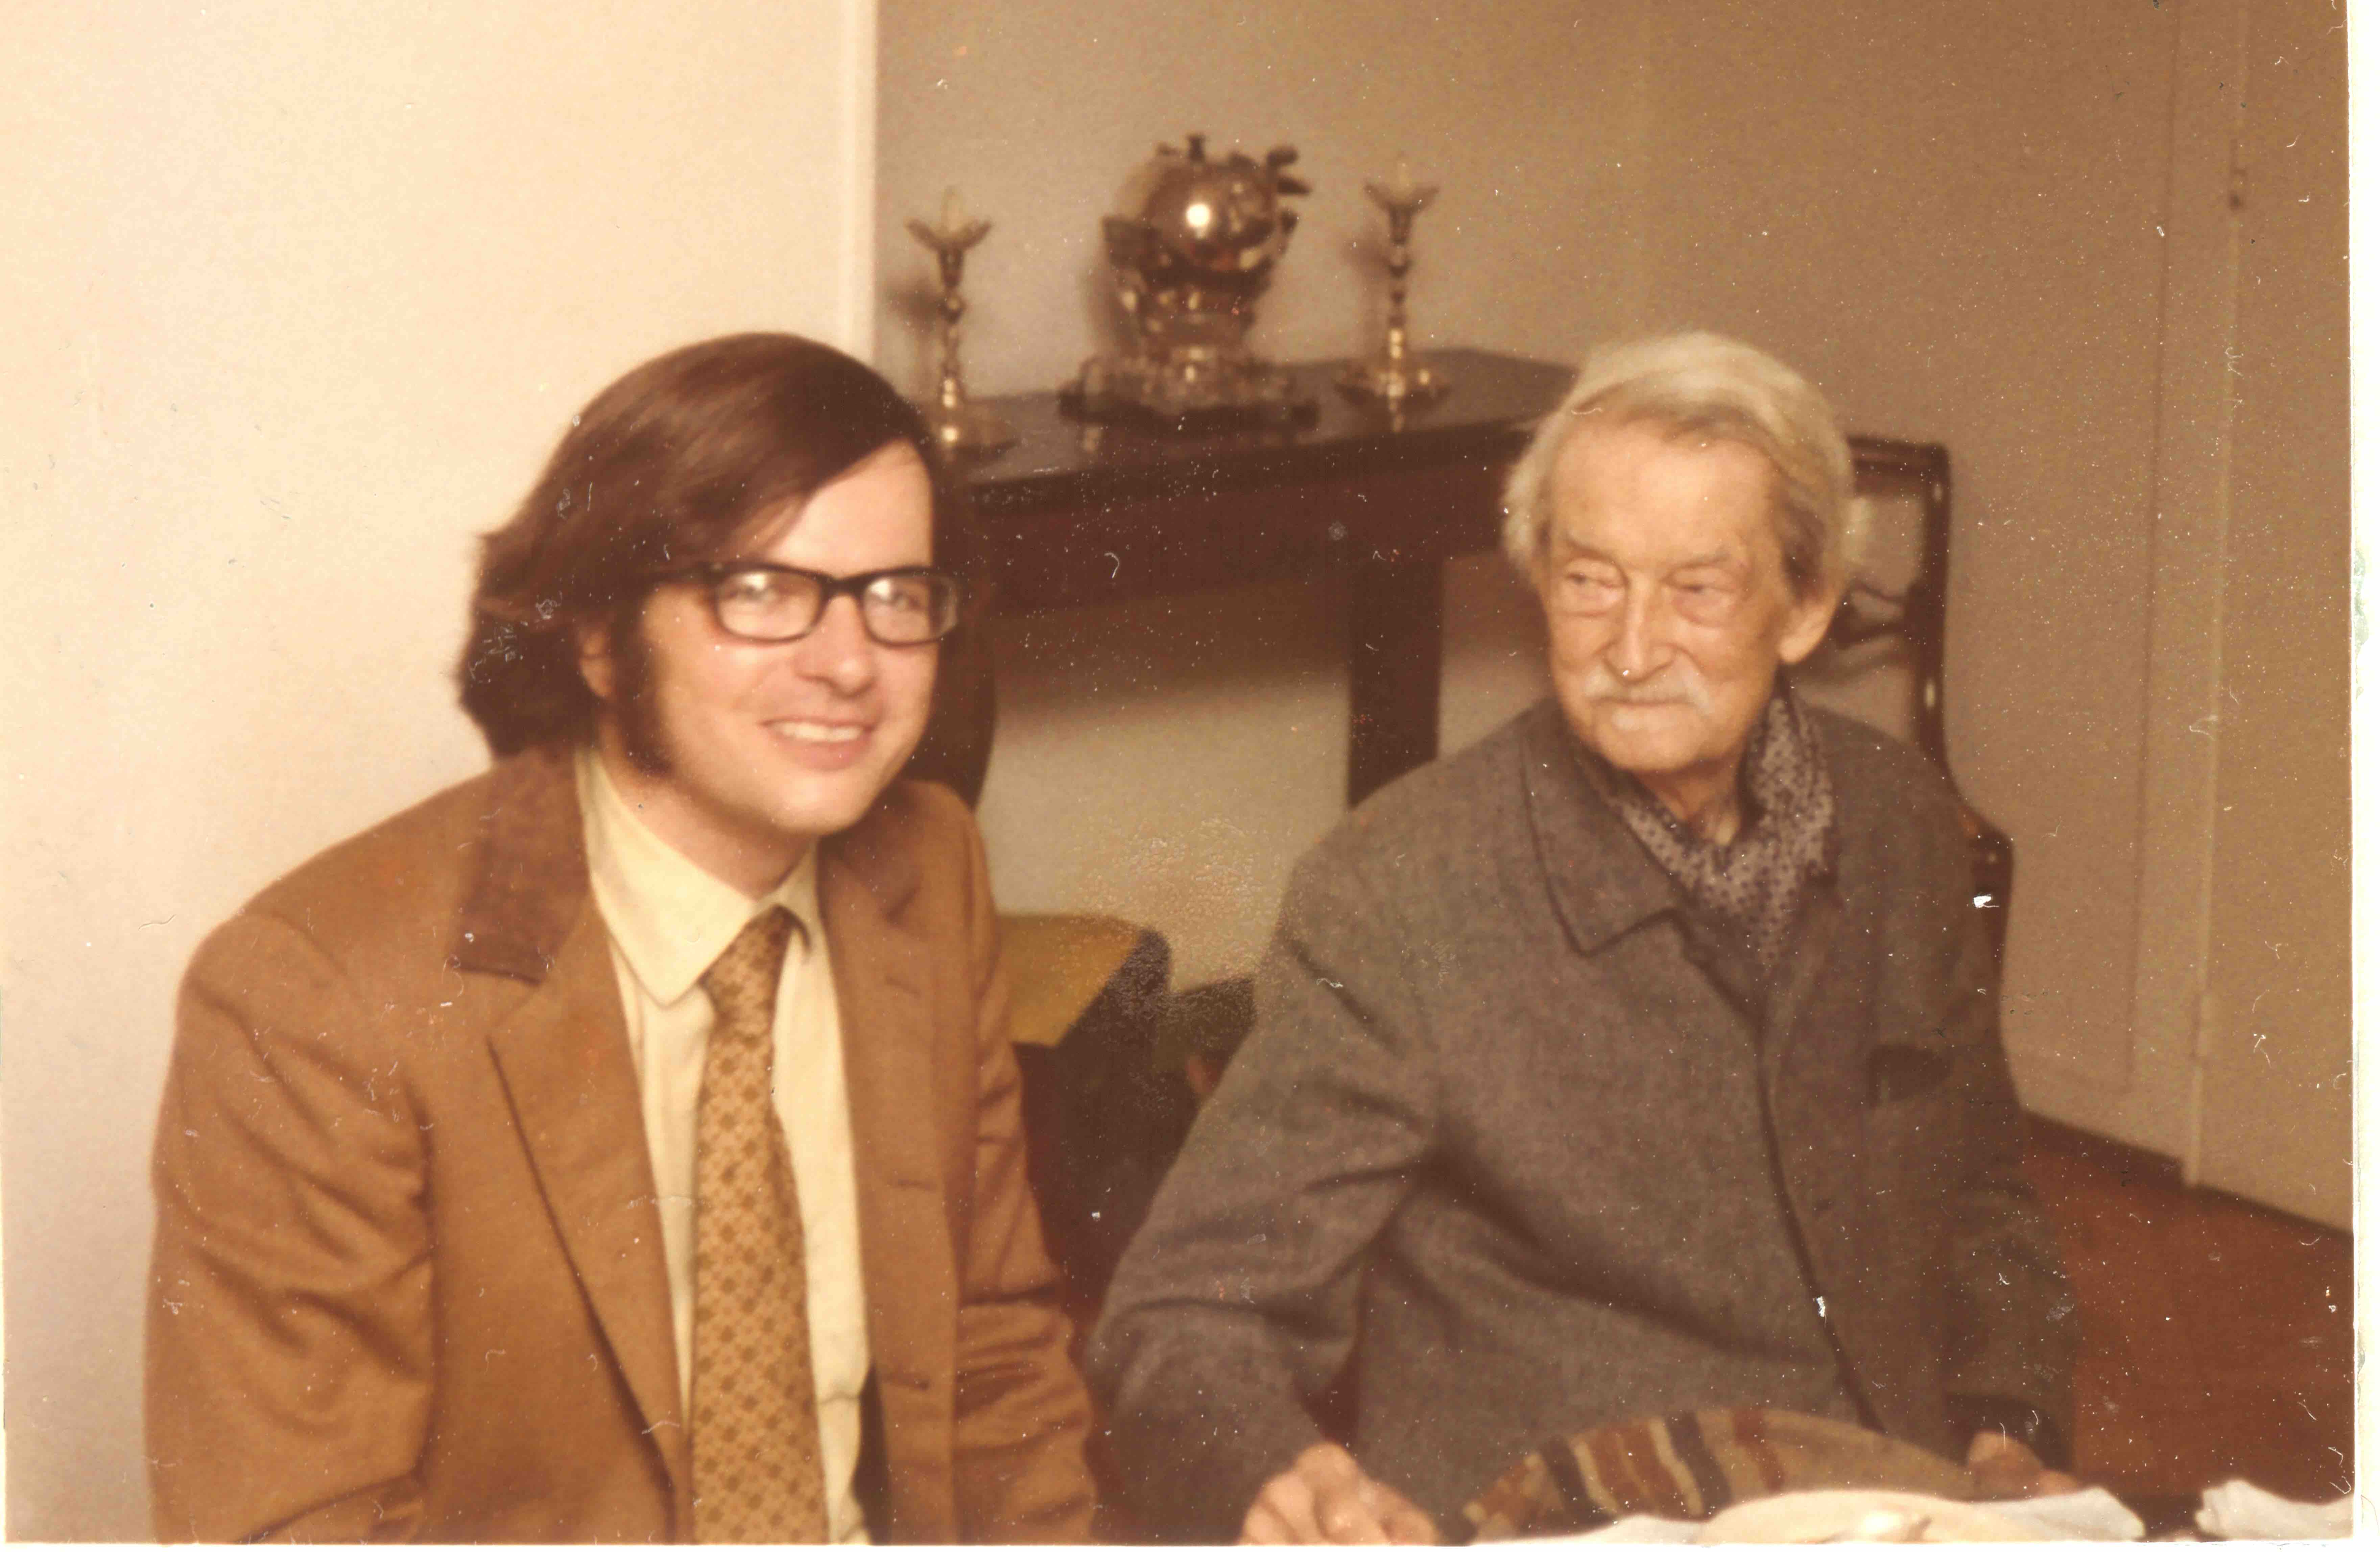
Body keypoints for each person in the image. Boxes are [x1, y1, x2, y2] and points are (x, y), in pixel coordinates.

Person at [1087, 333, 2077, 1543]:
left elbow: (1983, 1197)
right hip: (1568, 1518)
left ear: (1806, 606)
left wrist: (2008, 1425)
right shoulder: (1401, 887)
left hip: (1901, 1509)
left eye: (1698, 591)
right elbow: (1188, 1311)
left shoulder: (1900, 827)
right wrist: (1271, 1469)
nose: (1633, 649)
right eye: (1590, 581)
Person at [147, 334, 1096, 1543]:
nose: (850, 662)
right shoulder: (314, 995)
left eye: (897, 597)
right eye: (759, 592)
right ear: (597, 635)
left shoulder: (928, 866)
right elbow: (291, 1528)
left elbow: (996, 1357)